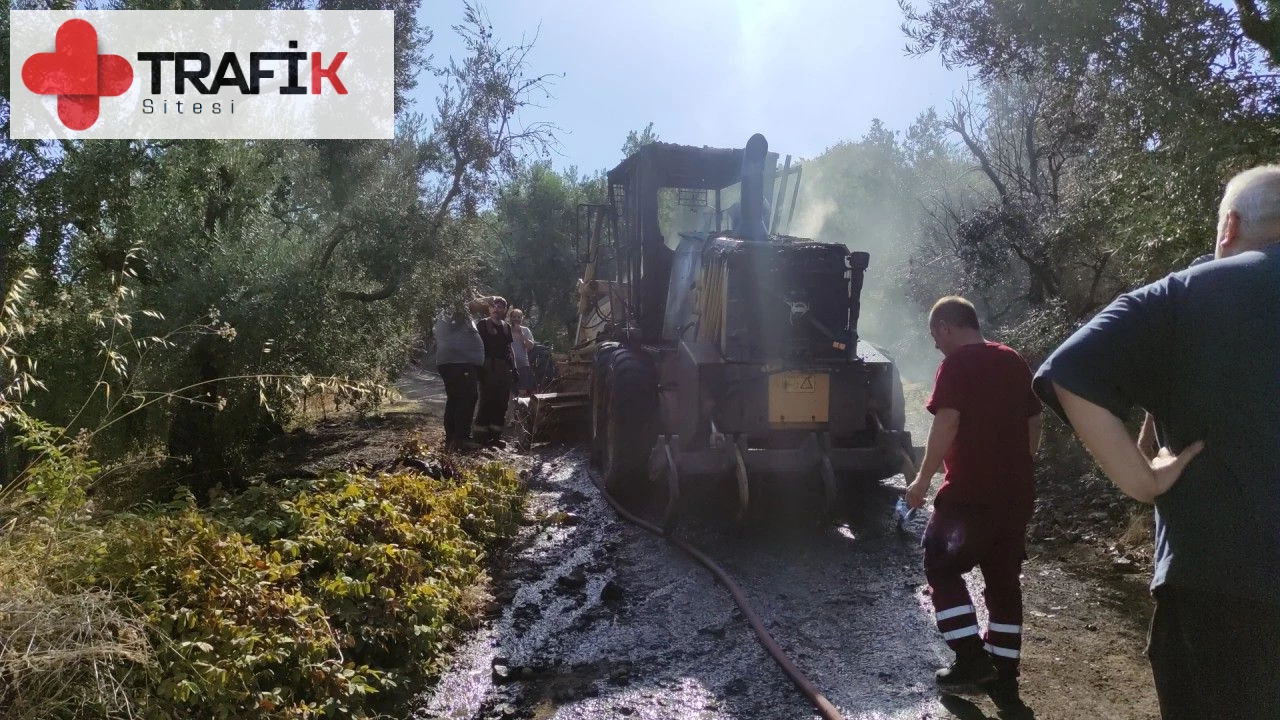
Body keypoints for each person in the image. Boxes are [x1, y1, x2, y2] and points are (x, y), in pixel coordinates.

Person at [1032, 165, 1280, 719]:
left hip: (1219, 588)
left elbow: (1070, 369)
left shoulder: (1185, 295)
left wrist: (1143, 481)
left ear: (1230, 226)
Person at [905, 296, 1042, 710]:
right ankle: (1004, 676)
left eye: (935, 335)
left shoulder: (957, 365)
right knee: (1003, 582)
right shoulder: (1013, 360)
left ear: (946, 326)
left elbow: (948, 421)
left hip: (969, 494)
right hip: (1016, 494)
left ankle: (969, 660)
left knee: (940, 565)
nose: (935, 345)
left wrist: (922, 479)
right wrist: (1019, 466)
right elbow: (1034, 421)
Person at [433, 300, 485, 452]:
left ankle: (452, 439)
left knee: (455, 399)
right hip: (459, 363)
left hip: (453, 363)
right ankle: (461, 439)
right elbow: (472, 304)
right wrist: (488, 301)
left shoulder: (447, 313)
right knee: (466, 399)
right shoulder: (453, 310)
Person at [473, 296, 518, 446]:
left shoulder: (506, 327)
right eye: (494, 306)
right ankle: (480, 436)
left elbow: (510, 349)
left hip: (504, 368)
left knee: (501, 403)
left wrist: (515, 368)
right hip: (487, 366)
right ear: (489, 308)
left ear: (504, 310)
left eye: (500, 307)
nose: (496, 309)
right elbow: (476, 346)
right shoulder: (482, 324)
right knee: (486, 400)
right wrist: (478, 368)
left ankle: (495, 437)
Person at [508, 308, 536, 397]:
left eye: (519, 317)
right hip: (508, 365)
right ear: (510, 318)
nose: (516, 319)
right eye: (514, 316)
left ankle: (520, 410)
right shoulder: (505, 328)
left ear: (522, 318)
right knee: (508, 391)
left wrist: (521, 334)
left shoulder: (526, 330)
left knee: (522, 391)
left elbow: (531, 346)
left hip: (522, 364)